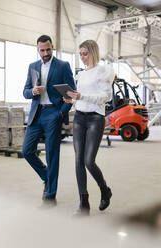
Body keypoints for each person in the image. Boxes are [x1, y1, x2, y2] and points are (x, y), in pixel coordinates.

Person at [22, 35, 76, 206]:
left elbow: (71, 93)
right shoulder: (33, 66)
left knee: (52, 155)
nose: (45, 53)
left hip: (53, 113)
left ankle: (50, 195)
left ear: (52, 47)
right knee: (27, 150)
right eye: (42, 50)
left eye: (48, 49)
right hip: (37, 113)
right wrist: (33, 92)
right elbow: (25, 91)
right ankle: (47, 177)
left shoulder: (63, 66)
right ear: (37, 49)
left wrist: (61, 112)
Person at [63, 40, 114, 214]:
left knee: (88, 161)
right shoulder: (82, 74)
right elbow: (81, 97)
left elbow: (104, 97)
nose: (83, 57)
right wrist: (72, 99)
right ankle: (83, 203)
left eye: (85, 54)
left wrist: (81, 96)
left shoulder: (103, 71)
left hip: (95, 119)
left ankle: (105, 190)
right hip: (79, 118)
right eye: (80, 54)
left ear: (93, 52)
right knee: (78, 161)